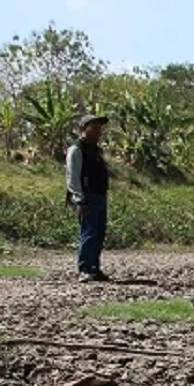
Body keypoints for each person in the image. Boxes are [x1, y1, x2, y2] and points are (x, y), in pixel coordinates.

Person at [65, 114, 111, 282]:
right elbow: (72, 176)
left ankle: (94, 268)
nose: (99, 131)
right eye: (94, 127)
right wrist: (79, 199)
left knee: (99, 233)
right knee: (88, 233)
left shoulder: (95, 150)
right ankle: (84, 269)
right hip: (87, 196)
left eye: (100, 128)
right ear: (83, 129)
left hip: (99, 195)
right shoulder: (76, 149)